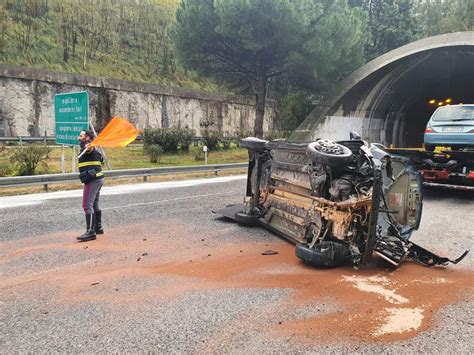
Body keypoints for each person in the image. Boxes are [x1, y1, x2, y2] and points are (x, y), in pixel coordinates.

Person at [77, 130, 104, 241]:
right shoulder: (96, 150)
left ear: (87, 137)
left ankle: (90, 232)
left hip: (92, 179)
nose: (79, 137)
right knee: (94, 204)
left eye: (81, 135)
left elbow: (89, 150)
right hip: (99, 178)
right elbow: (101, 161)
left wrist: (89, 148)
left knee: (87, 205)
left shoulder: (89, 147)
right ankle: (98, 227)